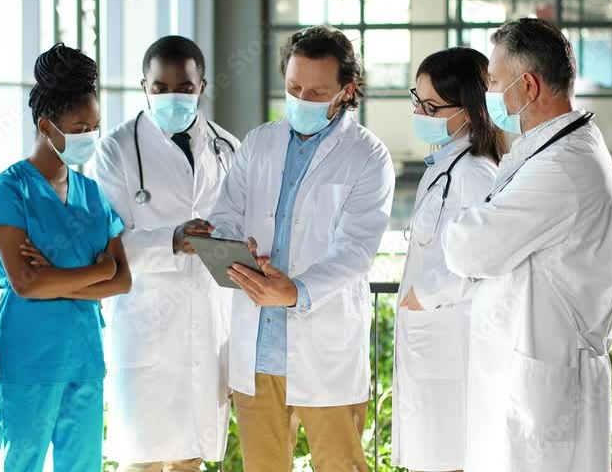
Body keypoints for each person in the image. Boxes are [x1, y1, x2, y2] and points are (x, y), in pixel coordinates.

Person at [176, 25, 395, 472]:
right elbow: (227, 214)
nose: (302, 98)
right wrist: (239, 245)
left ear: (346, 91)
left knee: (340, 465)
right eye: (294, 87)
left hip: (325, 345)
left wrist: (294, 291)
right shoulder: (259, 142)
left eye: (316, 91)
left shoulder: (368, 156)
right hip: (257, 349)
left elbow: (356, 250)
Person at [441, 18, 612, 471]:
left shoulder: (562, 167)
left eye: (494, 83)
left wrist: (464, 226)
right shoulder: (552, 149)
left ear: (527, 85)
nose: (489, 95)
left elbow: (467, 248)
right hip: (528, 373)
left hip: (543, 388)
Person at [0, 43, 132, 471]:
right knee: (19, 463)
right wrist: (95, 272)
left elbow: (122, 281)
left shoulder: (93, 193)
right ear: (46, 125)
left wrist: (58, 277)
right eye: (81, 126)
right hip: (28, 357)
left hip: (83, 355)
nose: (90, 135)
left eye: (95, 125)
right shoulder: (10, 189)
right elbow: (26, 283)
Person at [86, 36, 239, 471]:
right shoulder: (115, 150)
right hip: (144, 325)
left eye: (185, 87)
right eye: (160, 87)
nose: (173, 96)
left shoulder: (228, 149)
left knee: (191, 459)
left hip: (210, 328)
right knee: (142, 461)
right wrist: (171, 239)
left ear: (202, 85)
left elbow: (246, 237)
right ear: (143, 86)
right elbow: (105, 246)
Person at [391, 47, 506, 472]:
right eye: (416, 100)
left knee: (448, 458)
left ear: (469, 110)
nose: (420, 112)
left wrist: (424, 294)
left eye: (432, 106)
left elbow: (481, 258)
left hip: (450, 344)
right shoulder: (443, 166)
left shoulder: (475, 173)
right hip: (431, 341)